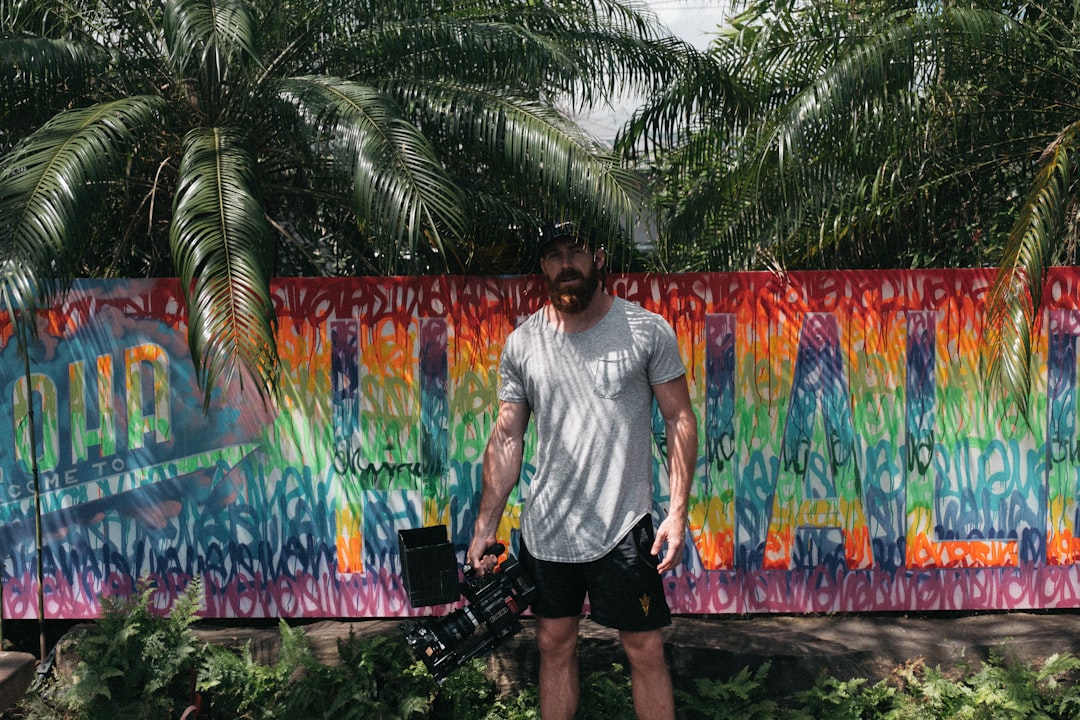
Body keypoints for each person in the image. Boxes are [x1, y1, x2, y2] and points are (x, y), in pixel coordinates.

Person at [467, 223, 698, 720]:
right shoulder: (523, 344)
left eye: (575, 251)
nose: (566, 263)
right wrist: (485, 528)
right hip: (549, 529)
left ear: (597, 258)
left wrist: (677, 513)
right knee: (553, 642)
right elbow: (507, 436)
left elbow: (679, 416)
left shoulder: (645, 330)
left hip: (624, 524)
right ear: (543, 269)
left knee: (645, 648)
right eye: (553, 255)